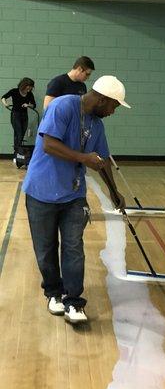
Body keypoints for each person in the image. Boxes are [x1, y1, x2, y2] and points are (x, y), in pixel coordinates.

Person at [23, 75, 130, 324]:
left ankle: (73, 301)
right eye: (114, 106)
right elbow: (49, 144)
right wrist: (83, 159)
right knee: (46, 248)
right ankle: (53, 293)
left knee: (73, 246)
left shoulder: (97, 125)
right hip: (42, 191)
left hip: (73, 195)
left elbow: (101, 161)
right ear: (103, 99)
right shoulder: (63, 106)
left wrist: (115, 193)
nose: (114, 112)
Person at [1, 77, 36, 161]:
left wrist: (28, 105)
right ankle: (17, 153)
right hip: (15, 114)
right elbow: (3, 97)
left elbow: (34, 105)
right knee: (19, 133)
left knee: (20, 134)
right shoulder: (14, 91)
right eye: (29, 86)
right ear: (24, 85)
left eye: (31, 87)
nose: (30, 88)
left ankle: (16, 153)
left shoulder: (30, 94)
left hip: (24, 115)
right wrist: (5, 104)